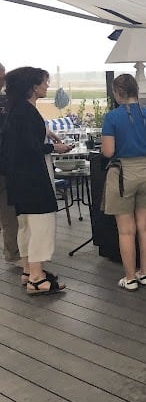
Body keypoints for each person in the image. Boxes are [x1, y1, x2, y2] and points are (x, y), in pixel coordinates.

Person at [1, 67, 73, 293]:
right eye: (45, 82)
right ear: (33, 86)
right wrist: (54, 147)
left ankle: (28, 269)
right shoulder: (26, 112)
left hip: (18, 179)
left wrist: (47, 135)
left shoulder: (15, 109)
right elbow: (28, 147)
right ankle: (37, 277)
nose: (47, 85)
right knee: (41, 225)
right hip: (32, 178)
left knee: (26, 226)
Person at [101, 74, 146, 291]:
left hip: (123, 172)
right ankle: (144, 273)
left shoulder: (112, 117)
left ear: (118, 93)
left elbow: (108, 151)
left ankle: (130, 278)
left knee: (126, 230)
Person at [0, 62, 21, 263]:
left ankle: (13, 252)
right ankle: (12, 253)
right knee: (8, 213)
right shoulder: (9, 102)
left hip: (6, 164)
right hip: (6, 163)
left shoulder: (8, 101)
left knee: (8, 212)